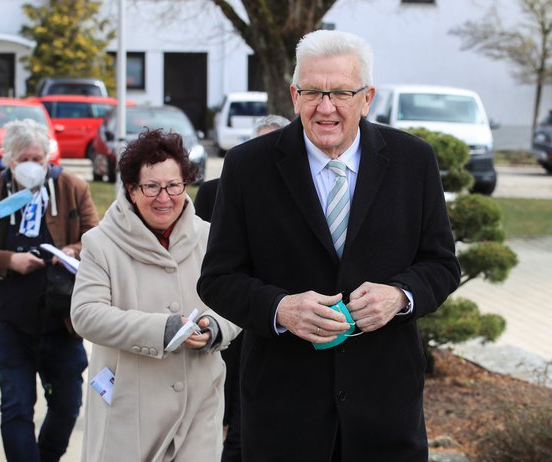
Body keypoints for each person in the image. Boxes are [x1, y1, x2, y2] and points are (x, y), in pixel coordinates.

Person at [197, 29, 461, 461]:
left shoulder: (414, 161)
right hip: (283, 414)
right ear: (293, 94)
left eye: (340, 92)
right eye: (312, 92)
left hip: (385, 412)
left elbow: (442, 264)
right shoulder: (248, 168)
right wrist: (280, 309)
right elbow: (218, 279)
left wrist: (400, 296)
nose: (325, 107)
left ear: (367, 97)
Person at [70, 129, 241, 461]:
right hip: (129, 409)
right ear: (132, 190)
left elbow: (235, 303)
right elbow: (86, 314)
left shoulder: (211, 237)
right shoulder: (101, 243)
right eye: (151, 187)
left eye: (173, 185)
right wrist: (162, 330)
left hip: (199, 407)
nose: (164, 197)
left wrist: (214, 328)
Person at [0, 118, 98, 462]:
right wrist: (9, 261)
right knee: (16, 405)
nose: (34, 166)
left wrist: (74, 250)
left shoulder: (72, 189)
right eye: (25, 159)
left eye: (40, 158)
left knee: (67, 403)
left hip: (62, 320)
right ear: (9, 160)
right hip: (11, 319)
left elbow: (97, 239)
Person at [194, 113, 289, 462]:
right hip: (230, 317)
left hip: (279, 323)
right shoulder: (215, 191)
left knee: (249, 426)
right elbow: (208, 260)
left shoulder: (300, 197)